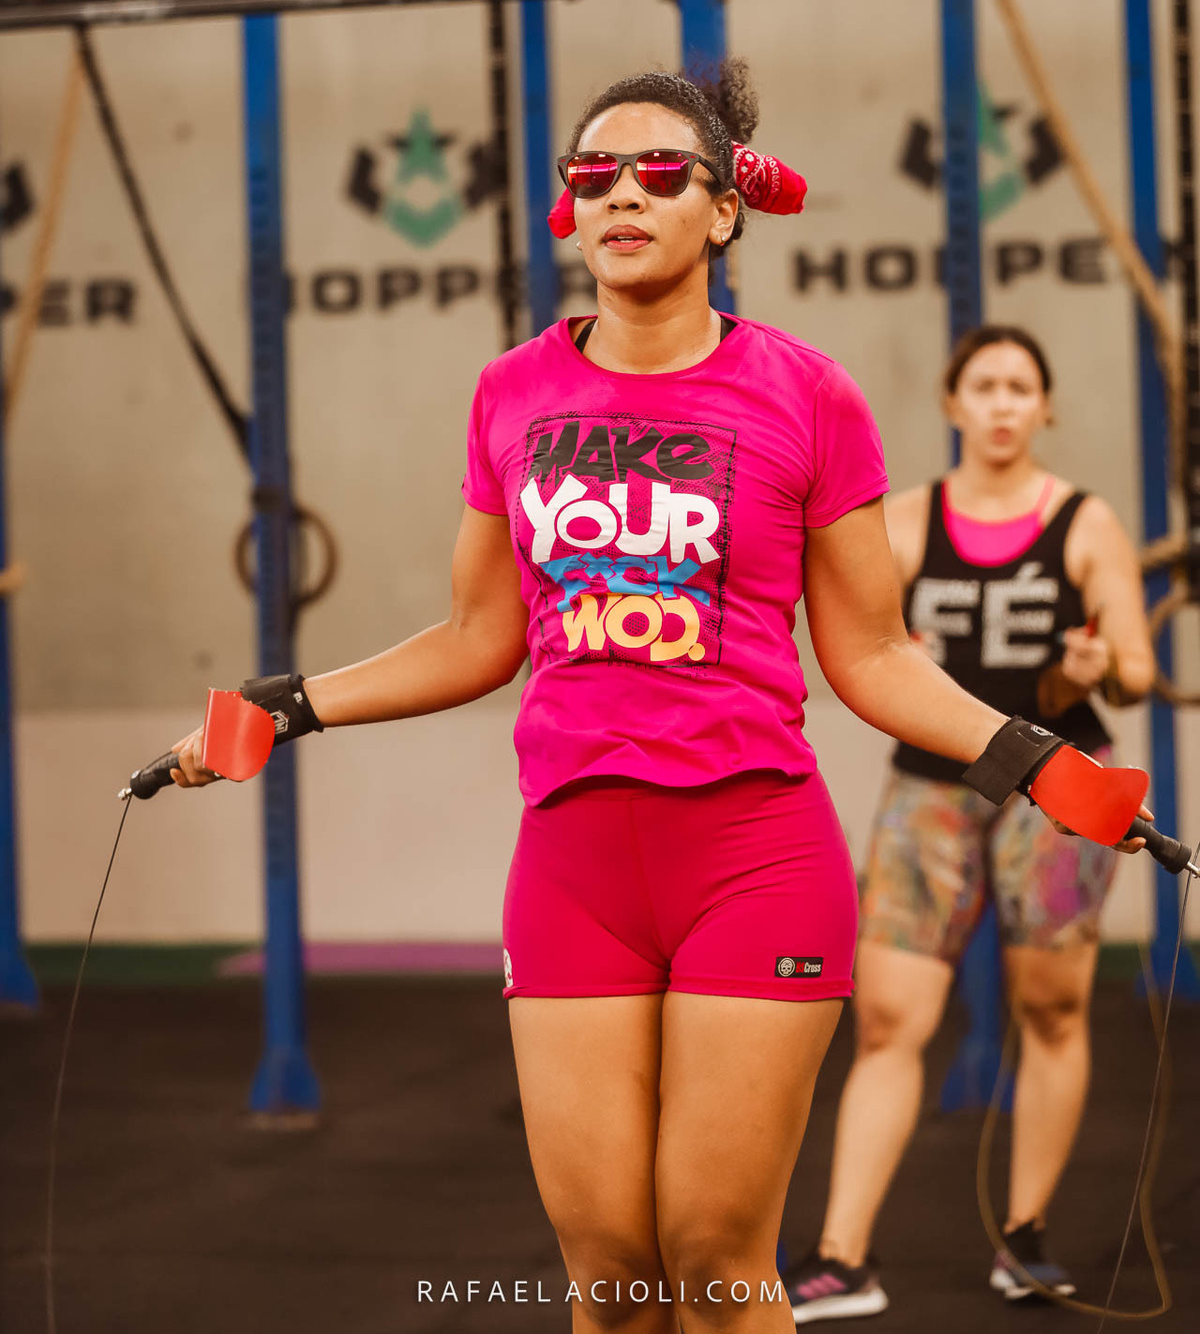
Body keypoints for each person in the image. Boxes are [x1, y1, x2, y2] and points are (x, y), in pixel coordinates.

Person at [169, 69, 1146, 1334]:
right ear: (571, 209)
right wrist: (284, 706)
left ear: (725, 208)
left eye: (661, 173)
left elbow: (873, 655)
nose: (623, 193)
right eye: (595, 175)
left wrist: (1039, 758)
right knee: (615, 1273)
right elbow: (478, 638)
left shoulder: (810, 394)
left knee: (714, 1260)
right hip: (573, 864)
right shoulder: (510, 392)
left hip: (755, 855)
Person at [784, 325, 1155, 1323]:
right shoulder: (906, 522)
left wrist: (1099, 669)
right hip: (933, 789)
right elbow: (853, 645)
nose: (1000, 404)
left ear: (1044, 407)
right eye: (982, 386)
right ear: (953, 404)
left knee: (1054, 1010)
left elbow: (1135, 668)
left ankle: (1024, 1240)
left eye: (1019, 387)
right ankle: (841, 1258)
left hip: (1059, 788)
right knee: (889, 1020)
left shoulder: (1084, 523)